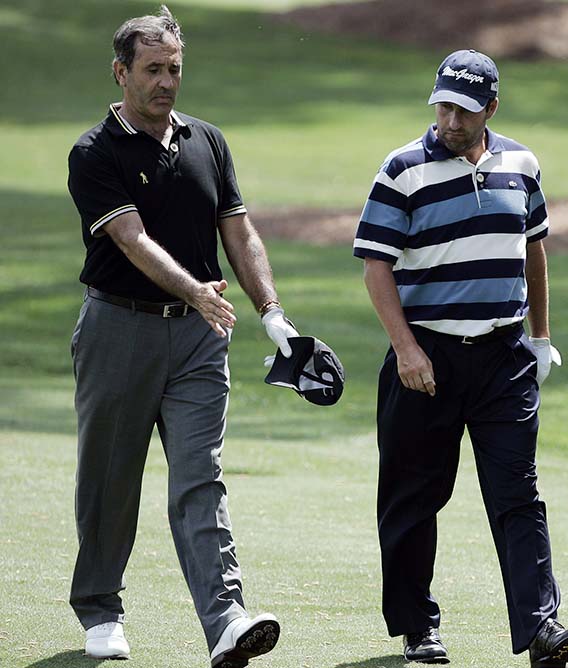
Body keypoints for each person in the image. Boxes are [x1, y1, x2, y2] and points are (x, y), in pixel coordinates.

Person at [66, 6, 294, 666]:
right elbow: (130, 238)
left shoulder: (207, 141)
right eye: (153, 70)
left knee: (201, 477)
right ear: (121, 72)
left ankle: (225, 619)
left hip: (199, 338)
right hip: (119, 329)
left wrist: (272, 311)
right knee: (111, 478)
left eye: (175, 70)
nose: (167, 82)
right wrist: (193, 289)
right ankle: (101, 609)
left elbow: (239, 231)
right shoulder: (94, 151)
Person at [353, 49, 568, 667]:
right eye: (443, 105)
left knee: (518, 493)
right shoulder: (403, 168)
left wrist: (540, 337)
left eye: (464, 108)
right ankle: (418, 628)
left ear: (491, 107)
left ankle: (542, 628)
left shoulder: (522, 163)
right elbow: (377, 265)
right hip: (425, 354)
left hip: (504, 356)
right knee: (414, 495)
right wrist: (406, 349)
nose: (450, 119)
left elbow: (533, 250)